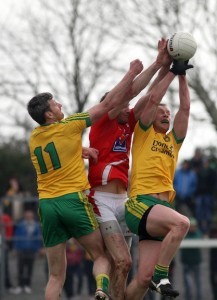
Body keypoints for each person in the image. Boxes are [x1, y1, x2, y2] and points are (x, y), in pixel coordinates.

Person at [27, 58, 143, 300]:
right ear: (49, 114)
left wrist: (81, 151)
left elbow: (55, 151)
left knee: (55, 276)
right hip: (72, 201)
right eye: (55, 104)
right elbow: (109, 103)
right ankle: (101, 289)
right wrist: (130, 72)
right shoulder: (69, 125)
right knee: (100, 255)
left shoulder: (35, 137)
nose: (60, 105)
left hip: (47, 205)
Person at [88, 38, 172, 300]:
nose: (128, 108)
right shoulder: (103, 121)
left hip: (123, 200)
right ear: (112, 107)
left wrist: (166, 67)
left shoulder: (129, 121)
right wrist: (152, 65)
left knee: (124, 267)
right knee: (122, 262)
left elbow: (149, 96)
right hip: (100, 199)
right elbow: (131, 92)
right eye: (123, 104)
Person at [125, 58, 194, 299]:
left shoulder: (173, 141)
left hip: (161, 208)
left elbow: (185, 109)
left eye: (168, 112)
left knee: (142, 279)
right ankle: (161, 274)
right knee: (182, 224)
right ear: (151, 116)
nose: (166, 114)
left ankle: (148, 281)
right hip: (141, 204)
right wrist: (171, 73)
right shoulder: (143, 133)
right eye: (161, 112)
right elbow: (153, 98)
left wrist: (183, 76)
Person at [11, 209, 43, 294]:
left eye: (30, 215)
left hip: (32, 250)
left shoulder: (36, 225)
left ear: (32, 216)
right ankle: (20, 285)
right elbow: (16, 237)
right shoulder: (20, 225)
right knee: (20, 268)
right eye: (27, 215)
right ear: (25, 216)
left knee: (30, 268)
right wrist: (15, 248)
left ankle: (27, 285)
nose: (29, 217)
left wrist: (39, 248)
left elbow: (39, 238)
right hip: (21, 249)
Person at [180, 217, 202, 300]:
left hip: (196, 262)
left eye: (193, 226)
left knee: (198, 282)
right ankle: (188, 297)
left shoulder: (198, 233)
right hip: (186, 262)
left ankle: (199, 297)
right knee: (187, 283)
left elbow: (197, 242)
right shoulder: (184, 234)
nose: (192, 228)